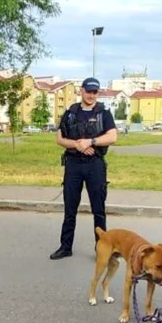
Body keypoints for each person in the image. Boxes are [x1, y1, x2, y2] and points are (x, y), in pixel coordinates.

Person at [50, 77, 118, 260]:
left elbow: (112, 136)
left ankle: (102, 250)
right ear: (82, 91)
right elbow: (59, 139)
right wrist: (77, 144)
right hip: (73, 165)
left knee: (98, 210)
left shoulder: (104, 113)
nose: (91, 95)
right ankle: (65, 247)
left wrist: (92, 141)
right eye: (88, 91)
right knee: (70, 208)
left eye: (95, 92)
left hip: (95, 165)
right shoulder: (71, 112)